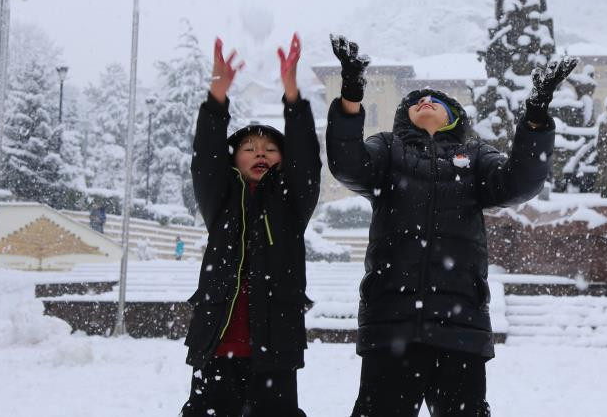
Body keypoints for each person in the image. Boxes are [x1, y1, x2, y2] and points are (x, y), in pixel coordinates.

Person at [326, 34, 577, 417]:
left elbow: (520, 183)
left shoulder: (475, 154)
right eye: (417, 102)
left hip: (460, 320)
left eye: (436, 101)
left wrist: (537, 115)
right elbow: (347, 165)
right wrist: (350, 96)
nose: (425, 102)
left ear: (454, 117)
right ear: (404, 117)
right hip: (392, 316)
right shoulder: (388, 148)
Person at [180, 33, 320, 417]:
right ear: (234, 160)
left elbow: (307, 162)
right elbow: (205, 160)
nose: (260, 153)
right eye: (249, 149)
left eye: (270, 149)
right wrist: (217, 99)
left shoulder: (292, 205)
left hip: (274, 348)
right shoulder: (220, 202)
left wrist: (293, 97)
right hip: (216, 344)